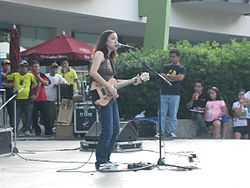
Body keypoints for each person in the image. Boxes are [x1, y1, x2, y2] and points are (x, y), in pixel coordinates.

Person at [89, 30, 143, 170]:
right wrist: (108, 85)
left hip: (109, 95)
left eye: (117, 39)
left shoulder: (111, 59)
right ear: (105, 41)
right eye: (113, 39)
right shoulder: (99, 54)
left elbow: (114, 81)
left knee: (114, 129)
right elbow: (93, 72)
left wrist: (133, 80)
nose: (116, 41)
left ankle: (106, 159)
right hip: (100, 94)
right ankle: (100, 161)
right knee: (107, 129)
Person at [160, 49, 186, 138]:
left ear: (178, 57)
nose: (172, 58)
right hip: (164, 93)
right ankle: (160, 131)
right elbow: (162, 76)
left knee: (173, 114)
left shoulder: (181, 68)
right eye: (171, 56)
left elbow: (180, 78)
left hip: (175, 94)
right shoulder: (166, 66)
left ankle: (171, 131)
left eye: (174, 57)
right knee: (162, 113)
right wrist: (172, 77)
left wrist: (168, 77)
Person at [7, 60, 37, 136]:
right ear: (19, 67)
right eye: (22, 66)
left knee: (28, 115)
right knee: (16, 115)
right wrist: (11, 85)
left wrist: (33, 93)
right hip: (17, 99)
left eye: (25, 67)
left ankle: (27, 130)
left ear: (27, 68)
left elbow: (35, 84)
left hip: (28, 99)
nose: (23, 68)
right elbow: (6, 80)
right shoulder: (15, 74)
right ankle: (15, 131)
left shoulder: (30, 75)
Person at [45, 62, 68, 134]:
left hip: (55, 100)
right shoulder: (46, 76)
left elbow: (66, 84)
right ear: (50, 68)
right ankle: (48, 130)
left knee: (54, 116)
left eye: (56, 68)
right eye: (53, 68)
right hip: (46, 99)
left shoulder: (59, 76)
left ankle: (53, 130)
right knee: (48, 116)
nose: (54, 70)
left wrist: (59, 84)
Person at [31, 61, 50, 136]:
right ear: (32, 67)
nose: (36, 68)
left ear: (39, 67)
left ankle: (48, 132)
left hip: (42, 98)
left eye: (37, 66)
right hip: (33, 99)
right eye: (34, 66)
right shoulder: (29, 75)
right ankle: (37, 131)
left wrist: (38, 76)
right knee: (34, 117)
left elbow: (46, 83)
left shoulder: (42, 75)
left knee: (46, 116)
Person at [1, 59, 14, 128]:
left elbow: (13, 84)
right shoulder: (0, 74)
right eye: (5, 64)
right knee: (1, 111)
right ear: (2, 66)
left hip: (10, 95)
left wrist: (4, 84)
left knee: (11, 112)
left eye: (8, 64)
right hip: (1, 95)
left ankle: (12, 128)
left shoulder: (13, 74)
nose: (7, 66)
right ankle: (2, 126)